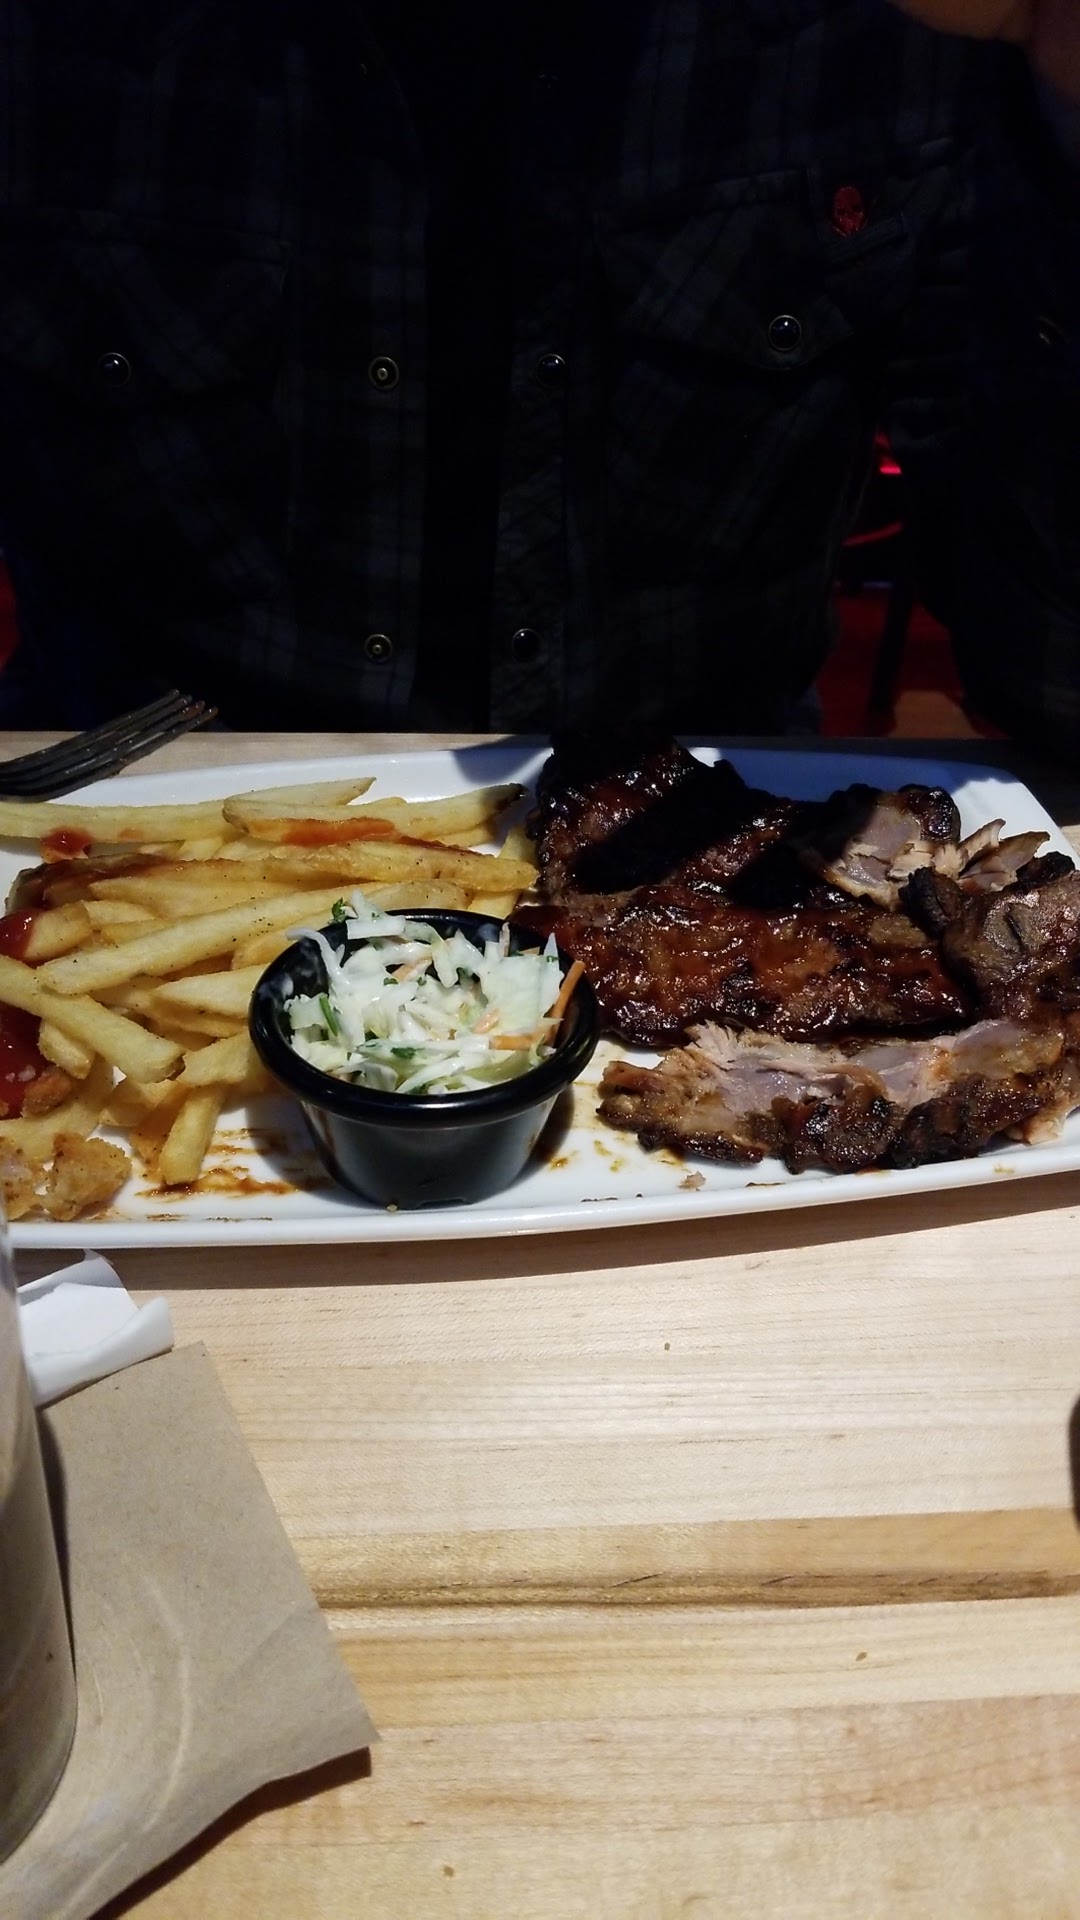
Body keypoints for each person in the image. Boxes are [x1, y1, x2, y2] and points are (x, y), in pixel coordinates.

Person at [0, 2, 1071, 749]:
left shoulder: (903, 34)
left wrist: (1064, 97)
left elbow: (1053, 685)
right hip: (114, 826)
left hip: (707, 857)